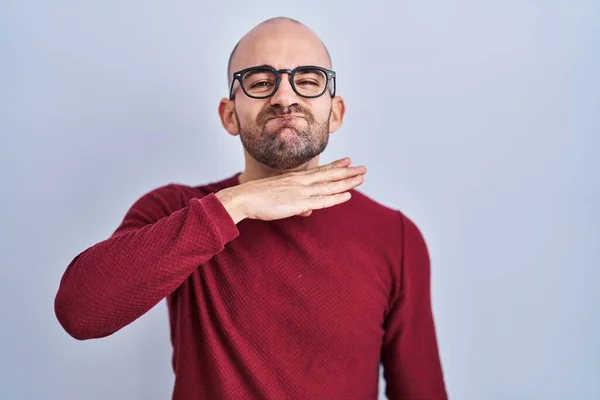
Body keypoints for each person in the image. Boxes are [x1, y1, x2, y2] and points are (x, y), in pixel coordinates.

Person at [54, 16, 448, 400]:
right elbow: (80, 312)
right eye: (261, 82)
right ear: (229, 115)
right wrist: (236, 204)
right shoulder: (176, 210)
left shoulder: (393, 236)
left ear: (336, 113)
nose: (285, 97)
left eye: (308, 81)